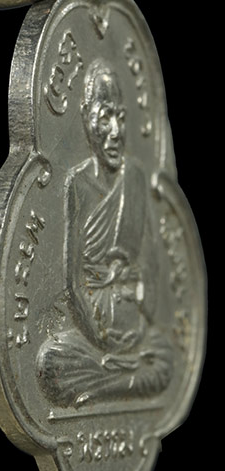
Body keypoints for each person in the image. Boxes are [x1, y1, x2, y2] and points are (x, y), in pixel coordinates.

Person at [37, 59, 172, 407]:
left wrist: (139, 303)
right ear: (86, 118)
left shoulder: (135, 180)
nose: (115, 131)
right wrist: (100, 335)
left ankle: (102, 388)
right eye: (104, 117)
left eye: (121, 118)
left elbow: (151, 264)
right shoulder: (78, 184)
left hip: (132, 320)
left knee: (167, 361)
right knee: (51, 361)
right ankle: (122, 379)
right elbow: (72, 279)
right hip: (94, 327)